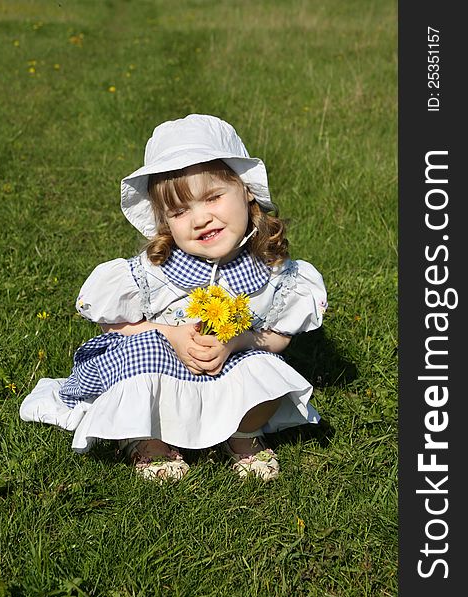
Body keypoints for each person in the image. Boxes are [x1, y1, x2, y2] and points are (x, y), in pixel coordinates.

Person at [20, 114, 327, 482]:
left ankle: (243, 433)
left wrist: (237, 343)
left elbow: (280, 334)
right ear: (165, 222)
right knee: (140, 354)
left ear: (246, 190)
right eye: (180, 211)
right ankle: (146, 437)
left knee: (266, 368)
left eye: (213, 197)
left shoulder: (272, 272)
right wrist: (172, 335)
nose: (201, 219)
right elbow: (110, 323)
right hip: (164, 367)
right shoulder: (155, 270)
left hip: (225, 363)